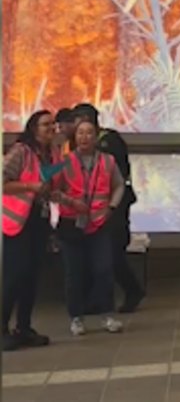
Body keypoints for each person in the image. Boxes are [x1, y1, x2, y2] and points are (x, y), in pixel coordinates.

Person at [54, 118, 126, 335]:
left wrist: (111, 208)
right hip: (71, 224)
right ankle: (76, 318)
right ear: (74, 138)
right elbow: (50, 189)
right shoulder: (64, 161)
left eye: (89, 133)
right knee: (74, 273)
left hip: (99, 223)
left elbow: (119, 185)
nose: (85, 137)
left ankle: (107, 315)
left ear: (96, 137)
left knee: (103, 269)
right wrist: (70, 202)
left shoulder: (108, 161)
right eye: (80, 133)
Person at [71, 103, 145, 313]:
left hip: (114, 206)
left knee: (112, 252)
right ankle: (98, 298)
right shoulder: (79, 147)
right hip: (94, 207)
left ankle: (132, 290)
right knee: (100, 253)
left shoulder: (108, 141)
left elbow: (116, 176)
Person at [2, 110, 60, 351]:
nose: (51, 128)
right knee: (15, 275)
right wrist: (30, 186)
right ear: (33, 128)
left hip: (39, 219)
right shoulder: (21, 151)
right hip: (18, 222)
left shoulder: (51, 154)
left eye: (53, 124)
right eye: (45, 124)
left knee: (32, 275)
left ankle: (24, 327)